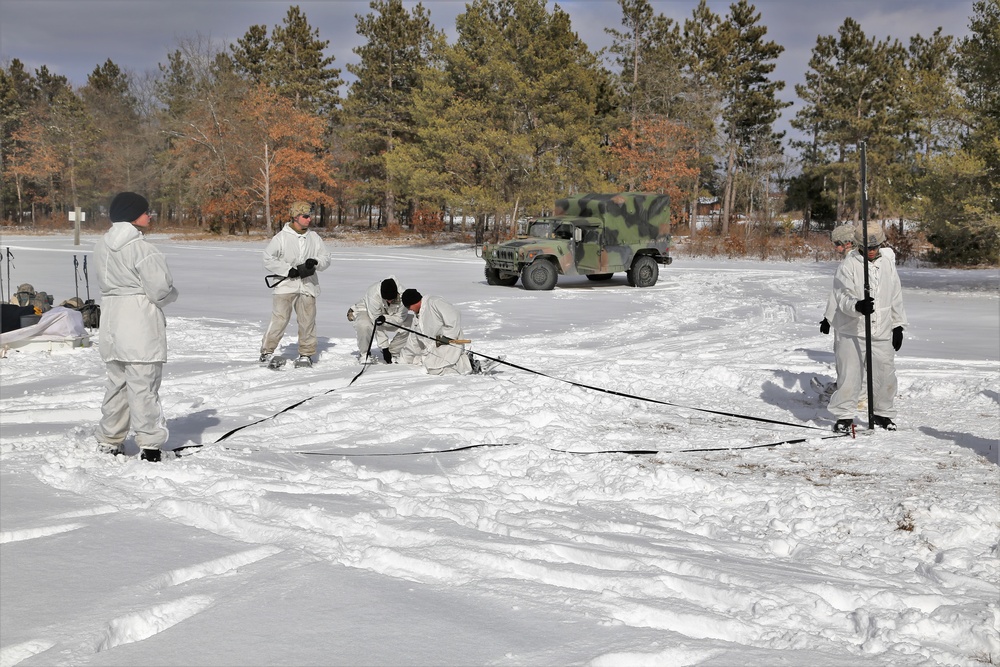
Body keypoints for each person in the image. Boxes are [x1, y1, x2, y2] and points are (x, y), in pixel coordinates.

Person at [93, 192, 178, 462]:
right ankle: (150, 445)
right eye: (145, 211)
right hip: (139, 322)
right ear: (132, 214)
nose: (149, 215)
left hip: (111, 322)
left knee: (117, 384)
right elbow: (160, 290)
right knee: (144, 386)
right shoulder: (142, 248)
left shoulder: (101, 245)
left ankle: (110, 440)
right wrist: (172, 294)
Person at [828, 225, 907, 433]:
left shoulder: (888, 264)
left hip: (882, 328)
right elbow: (841, 295)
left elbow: (896, 296)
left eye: (874, 246)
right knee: (849, 375)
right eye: (866, 247)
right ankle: (844, 416)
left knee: (885, 373)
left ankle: (882, 413)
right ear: (858, 245)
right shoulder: (849, 264)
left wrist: (898, 325)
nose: (871, 250)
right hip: (852, 329)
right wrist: (857, 306)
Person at [260, 202, 331, 368]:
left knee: (308, 321)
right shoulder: (281, 238)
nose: (309, 219)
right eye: (305, 216)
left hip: (308, 286)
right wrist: (288, 270)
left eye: (310, 215)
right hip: (285, 286)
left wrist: (316, 262)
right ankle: (266, 351)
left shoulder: (314, 238)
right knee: (279, 319)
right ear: (295, 217)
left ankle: (306, 354)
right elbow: (267, 258)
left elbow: (326, 258)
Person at [816, 224, 857, 397]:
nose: (835, 247)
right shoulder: (857, 260)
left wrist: (829, 317)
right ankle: (848, 388)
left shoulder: (849, 263)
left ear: (848, 243)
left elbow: (839, 293)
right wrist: (827, 317)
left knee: (845, 357)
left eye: (837, 243)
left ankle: (844, 392)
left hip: (848, 319)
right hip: (850, 317)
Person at [398, 288, 475, 375]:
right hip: (435, 347)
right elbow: (413, 342)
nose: (409, 310)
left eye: (408, 307)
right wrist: (403, 361)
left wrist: (444, 337)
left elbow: (454, 316)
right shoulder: (417, 318)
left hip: (451, 341)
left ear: (414, 301)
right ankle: (464, 362)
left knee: (434, 369)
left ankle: (468, 365)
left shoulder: (434, 302)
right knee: (424, 363)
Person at [348, 276, 411, 363]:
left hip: (389, 316)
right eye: (386, 299)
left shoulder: (403, 296)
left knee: (412, 324)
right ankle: (365, 354)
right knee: (363, 325)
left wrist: (385, 319)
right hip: (367, 310)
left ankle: (393, 351)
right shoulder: (373, 294)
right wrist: (384, 346)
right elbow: (376, 322)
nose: (389, 301)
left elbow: (400, 318)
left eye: (391, 299)